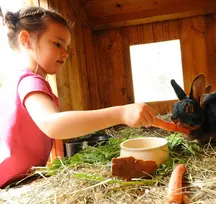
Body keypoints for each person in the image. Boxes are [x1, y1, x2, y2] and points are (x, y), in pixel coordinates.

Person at [0, 6, 157, 188]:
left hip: (18, 182)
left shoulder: (23, 81)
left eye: (66, 47)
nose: (66, 53)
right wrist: (121, 113)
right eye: (58, 44)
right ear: (26, 40)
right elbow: (53, 124)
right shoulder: (29, 81)